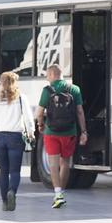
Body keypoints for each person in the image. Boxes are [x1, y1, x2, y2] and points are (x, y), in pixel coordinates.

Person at [35, 64, 87, 209]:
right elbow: (80, 112)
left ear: (52, 75)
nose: (46, 78)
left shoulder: (47, 90)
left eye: (47, 75)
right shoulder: (74, 89)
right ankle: (61, 193)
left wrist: (40, 124)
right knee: (65, 163)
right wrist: (83, 131)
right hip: (70, 132)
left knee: (53, 163)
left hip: (51, 132)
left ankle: (57, 194)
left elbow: (39, 113)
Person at [0, 71, 35, 211]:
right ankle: (12, 191)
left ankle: (5, 202)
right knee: (15, 171)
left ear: (1, 82)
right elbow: (29, 119)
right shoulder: (20, 98)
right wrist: (31, 133)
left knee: (3, 171)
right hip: (15, 138)